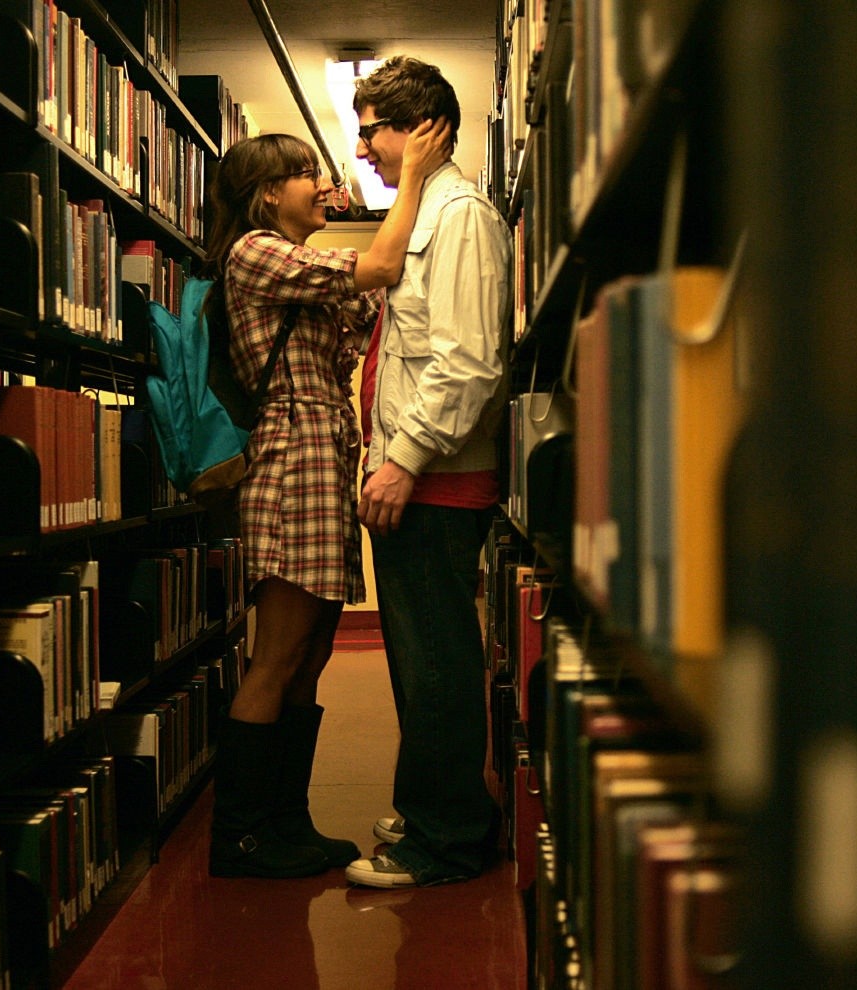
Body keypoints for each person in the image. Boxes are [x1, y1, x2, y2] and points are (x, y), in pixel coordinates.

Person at [201, 119, 452, 879]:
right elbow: (376, 268)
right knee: (278, 655)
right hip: (292, 456)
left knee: (309, 654)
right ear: (267, 192)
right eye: (306, 172)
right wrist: (408, 177)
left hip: (323, 453)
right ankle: (241, 836)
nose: (323, 183)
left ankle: (286, 821)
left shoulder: (299, 266)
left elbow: (367, 309)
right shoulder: (255, 253)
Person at [345, 56, 513, 889]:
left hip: (437, 479)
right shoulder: (424, 214)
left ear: (417, 129)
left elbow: (469, 361)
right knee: (419, 660)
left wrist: (403, 461)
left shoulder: (462, 218)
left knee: (438, 660)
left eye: (370, 127)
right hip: (415, 473)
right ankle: (432, 811)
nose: (362, 147)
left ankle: (445, 840)